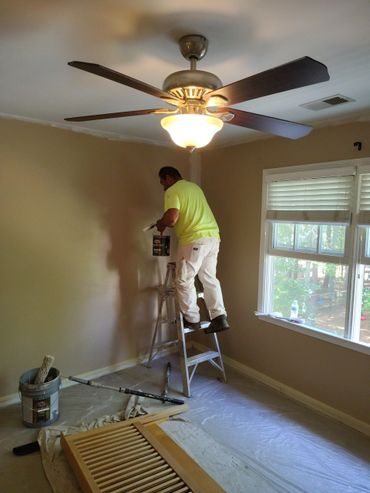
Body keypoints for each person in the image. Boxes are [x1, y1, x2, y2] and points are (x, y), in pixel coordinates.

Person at [156, 166, 229, 333]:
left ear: (168, 178)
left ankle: (192, 319)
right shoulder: (194, 187)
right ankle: (219, 317)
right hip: (213, 237)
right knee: (209, 278)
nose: (163, 186)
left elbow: (172, 218)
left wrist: (161, 223)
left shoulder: (172, 190)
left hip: (194, 239)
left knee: (183, 279)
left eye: (162, 182)